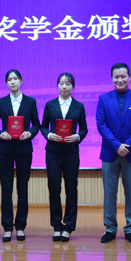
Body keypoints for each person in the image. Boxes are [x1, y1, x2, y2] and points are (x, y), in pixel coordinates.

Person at [96, 63, 131, 244]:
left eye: (123, 76)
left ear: (129, 77)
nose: (120, 80)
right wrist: (117, 145)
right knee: (109, 193)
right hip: (110, 153)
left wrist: (127, 146)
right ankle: (110, 228)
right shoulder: (103, 98)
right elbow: (101, 124)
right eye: (116, 77)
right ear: (112, 78)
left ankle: (130, 229)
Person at [0, 69, 41, 242]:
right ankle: (7, 227)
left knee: (22, 188)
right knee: (6, 188)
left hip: (24, 150)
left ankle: (20, 226)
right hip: (5, 150)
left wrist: (30, 133)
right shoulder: (1, 102)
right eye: (9, 79)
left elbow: (36, 124)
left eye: (15, 79)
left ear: (21, 81)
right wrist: (0, 134)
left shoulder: (30, 101)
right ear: (6, 83)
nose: (13, 82)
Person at [40, 73, 88, 242]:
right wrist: (48, 135)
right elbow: (43, 126)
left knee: (71, 188)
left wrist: (78, 136)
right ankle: (56, 225)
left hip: (71, 152)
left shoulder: (79, 106)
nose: (64, 86)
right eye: (61, 83)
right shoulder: (50, 104)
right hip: (53, 152)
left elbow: (84, 129)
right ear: (58, 86)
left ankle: (68, 226)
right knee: (54, 188)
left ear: (73, 86)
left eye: (68, 84)